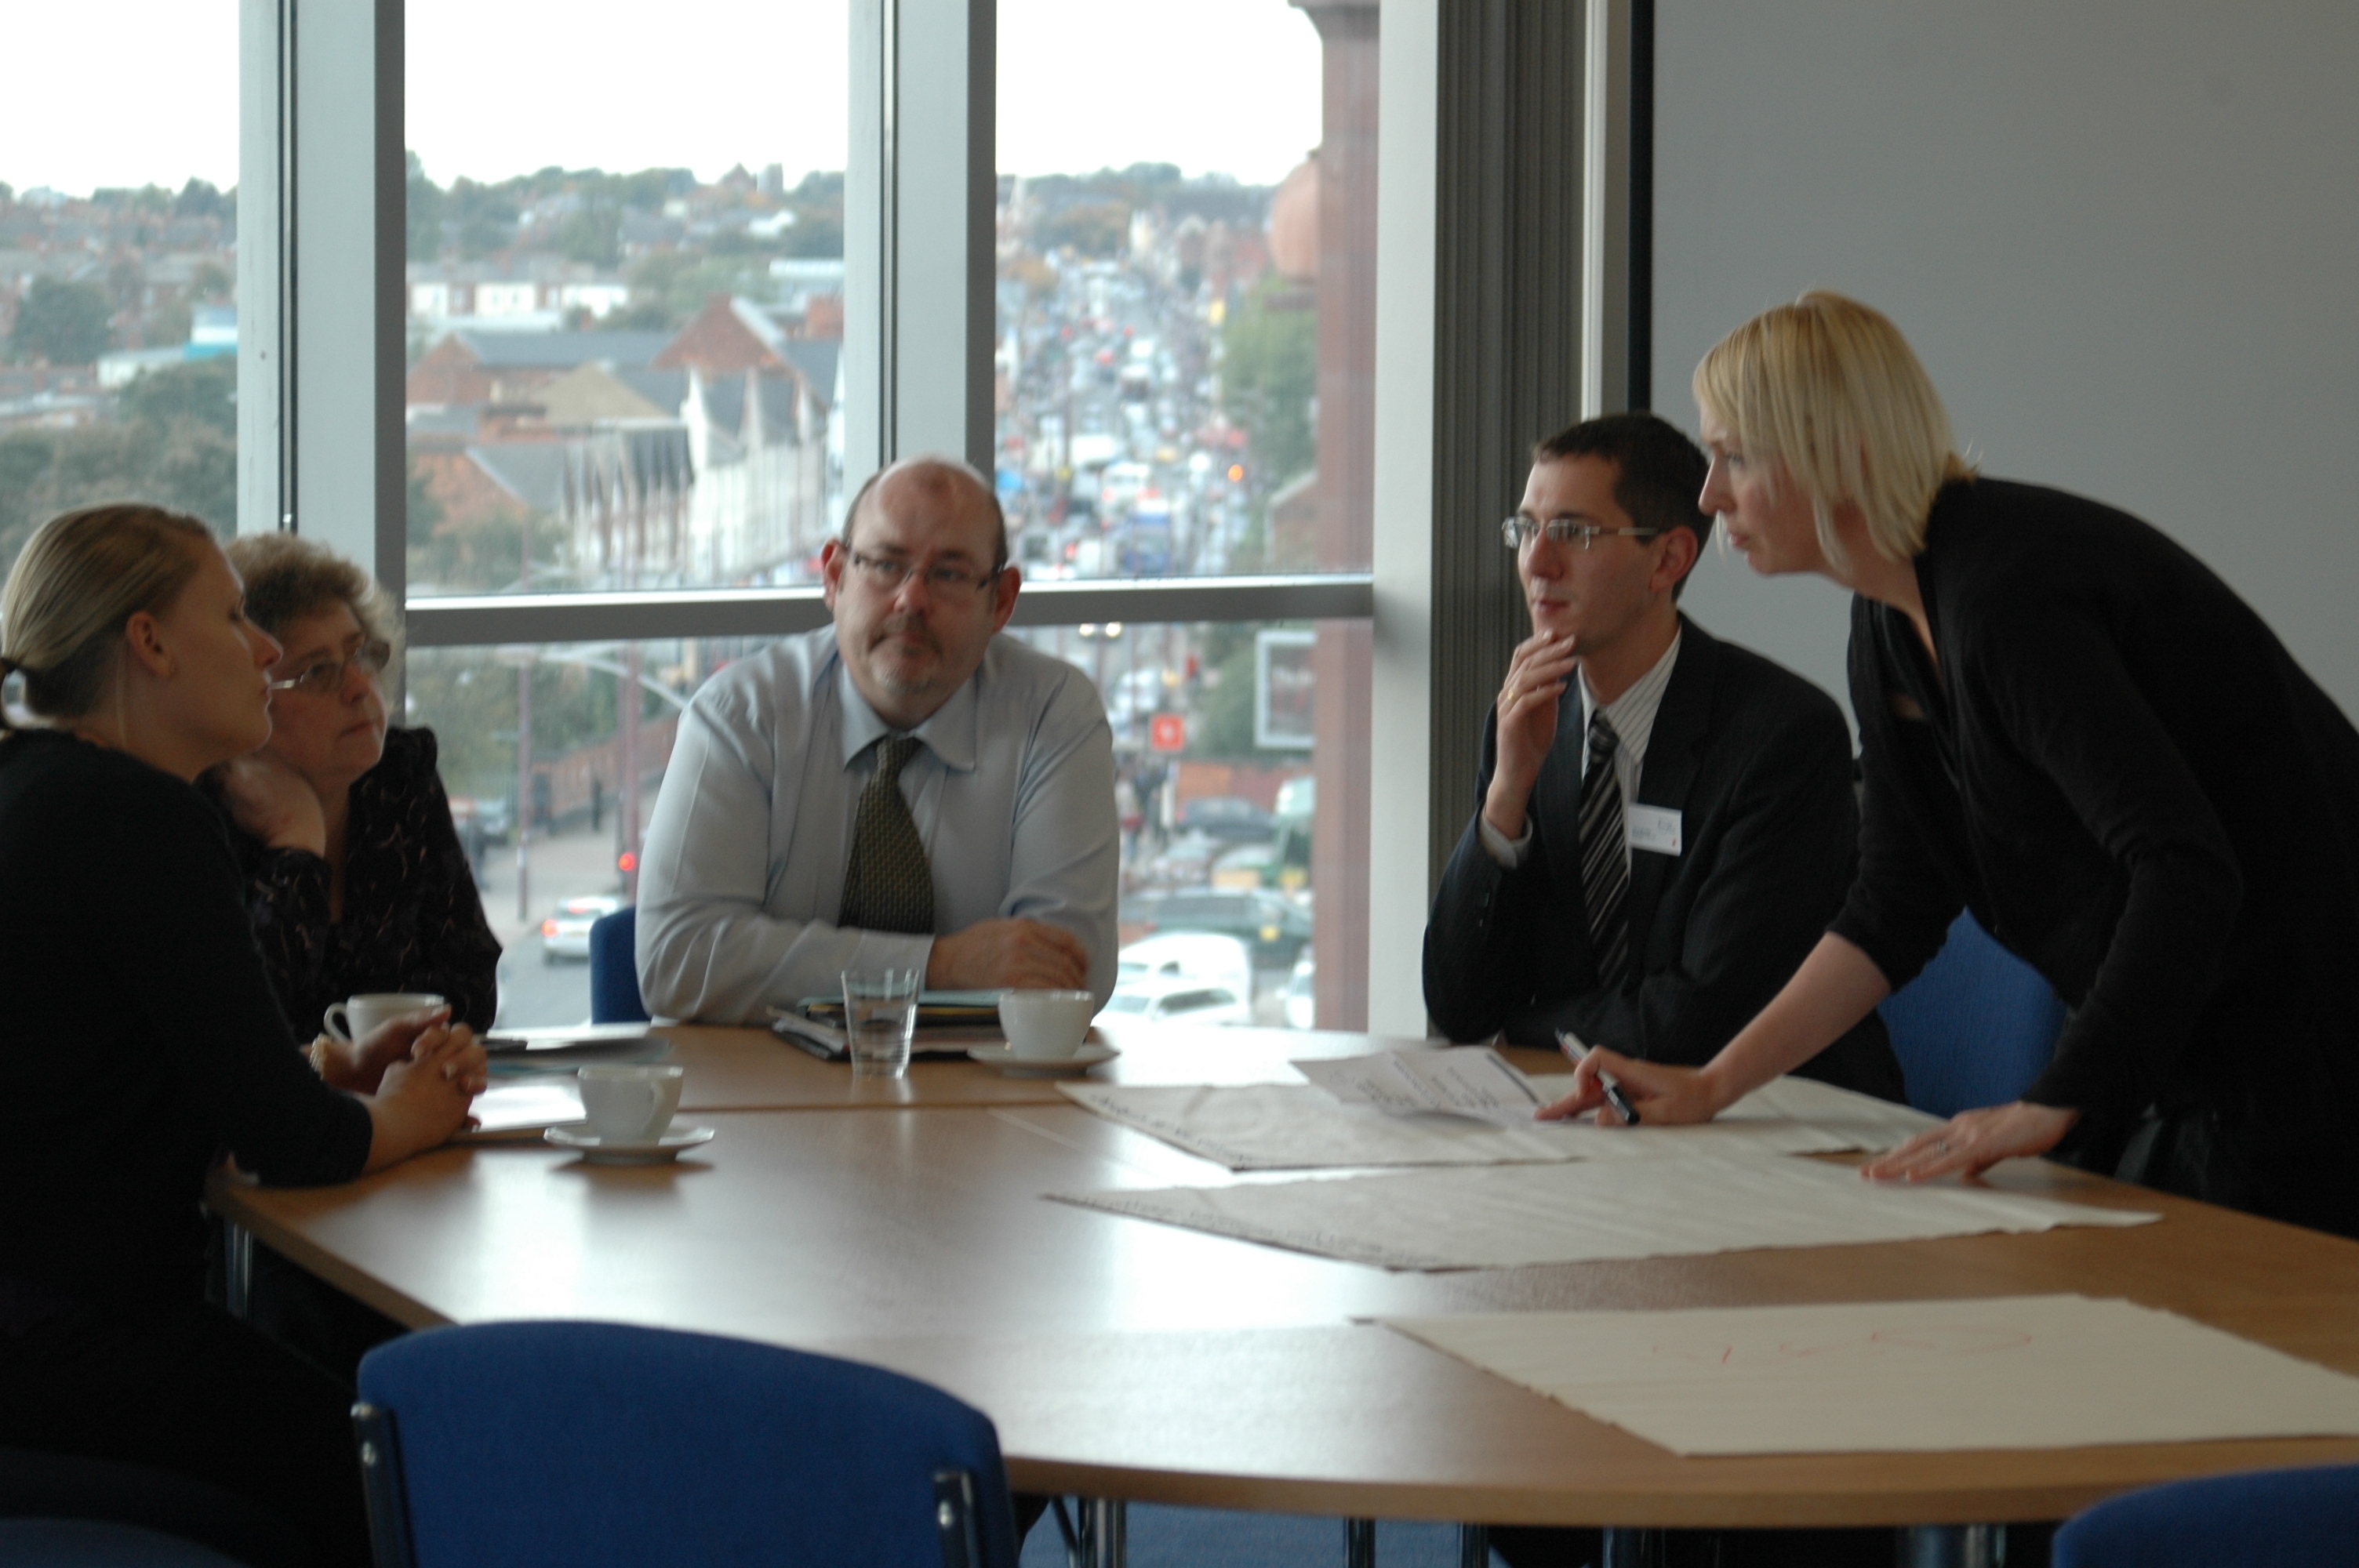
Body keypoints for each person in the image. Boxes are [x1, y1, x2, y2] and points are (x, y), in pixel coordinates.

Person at [1552, 292, 2359, 1243]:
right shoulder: (1888, 619)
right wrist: (1713, 1081)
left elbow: (2183, 867)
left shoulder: (2005, 600)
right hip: (2208, 1064)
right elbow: (1895, 900)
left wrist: (2057, 1098)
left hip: (2307, 1056)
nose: (1708, 493)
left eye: (1734, 455)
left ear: (1832, 451)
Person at [0, 503, 485, 1566]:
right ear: (150, 644)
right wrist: (405, 1113)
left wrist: (329, 1072)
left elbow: (106, 1079)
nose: (265, 653)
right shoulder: (141, 818)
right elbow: (293, 1143)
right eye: (232, 618)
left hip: (33, 1330)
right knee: (404, 1471)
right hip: (70, 1346)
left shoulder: (36, 791)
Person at [1423, 412, 1903, 1100]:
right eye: (1526, 529)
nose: (1536, 561)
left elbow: (1700, 1016)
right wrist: (1506, 798)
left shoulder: (1782, 734)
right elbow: (1456, 1004)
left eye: (1575, 533)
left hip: (1779, 1122)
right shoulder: (1531, 721)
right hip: (1594, 1113)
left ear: (1669, 559)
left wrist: (1521, 1029)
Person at [637, 456, 1120, 1022]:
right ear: (834, 577)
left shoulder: (1053, 714)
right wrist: (935, 968)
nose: (911, 600)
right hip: (766, 1095)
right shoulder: (741, 715)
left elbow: (1065, 973)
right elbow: (677, 962)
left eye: (949, 574)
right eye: (886, 565)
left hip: (982, 1096)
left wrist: (797, 967)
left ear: (1003, 602)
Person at [207, 533, 501, 1036]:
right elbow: (239, 1025)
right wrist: (295, 842)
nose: (361, 687)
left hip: (407, 1100)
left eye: (361, 654)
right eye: (318, 673)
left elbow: (473, 989)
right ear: (245, 691)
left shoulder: (400, 777)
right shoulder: (198, 812)